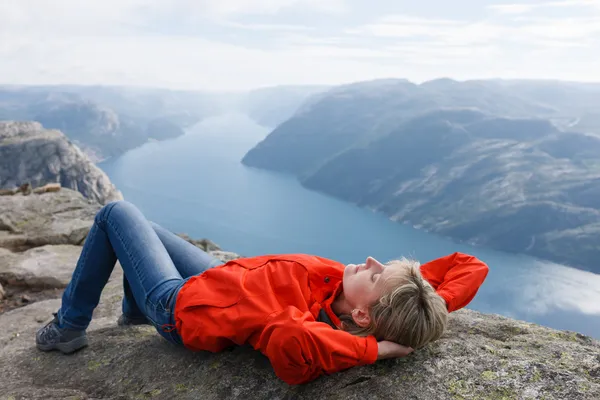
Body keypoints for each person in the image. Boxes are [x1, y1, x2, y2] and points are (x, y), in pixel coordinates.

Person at [36, 201, 489, 385]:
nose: (371, 262)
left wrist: (374, 351)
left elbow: (290, 345)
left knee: (115, 213)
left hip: (183, 307)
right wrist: (434, 303)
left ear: (365, 317)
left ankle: (69, 328)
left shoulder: (304, 331)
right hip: (221, 278)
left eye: (374, 276)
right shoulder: (378, 294)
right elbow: (470, 265)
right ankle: (133, 312)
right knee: (146, 230)